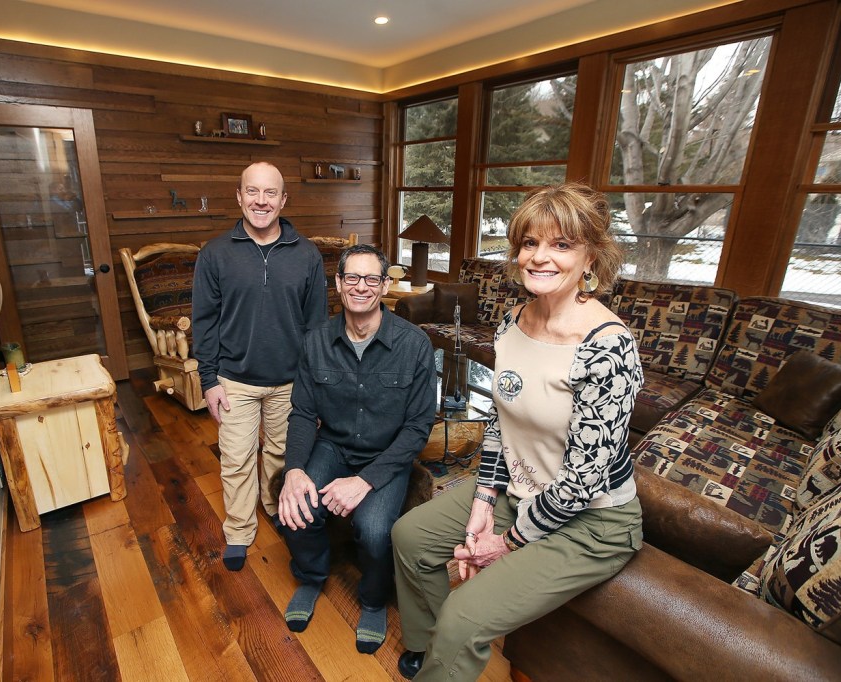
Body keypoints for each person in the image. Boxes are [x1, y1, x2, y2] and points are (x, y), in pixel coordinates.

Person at [391, 183, 644, 680]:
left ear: (591, 256)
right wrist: (485, 499)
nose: (539, 257)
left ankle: (450, 644)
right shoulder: (511, 322)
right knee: (411, 537)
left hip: (593, 521)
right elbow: (502, 423)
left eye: (561, 245)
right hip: (520, 490)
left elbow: (582, 481)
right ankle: (428, 647)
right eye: (530, 243)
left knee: (466, 618)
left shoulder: (608, 347)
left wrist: (504, 542)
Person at [277, 244, 437, 654]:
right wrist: (294, 469)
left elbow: (418, 427)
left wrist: (365, 481)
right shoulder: (315, 342)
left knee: (375, 529)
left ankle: (372, 599)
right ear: (338, 284)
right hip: (333, 446)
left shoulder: (414, 344)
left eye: (371, 279)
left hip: (386, 457)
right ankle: (311, 577)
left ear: (384, 285)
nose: (361, 287)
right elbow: (301, 413)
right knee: (297, 508)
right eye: (352, 277)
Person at [192, 162, 328, 571]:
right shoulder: (215, 254)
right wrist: (209, 379)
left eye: (271, 193)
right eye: (253, 192)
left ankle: (274, 508)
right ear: (239, 197)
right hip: (234, 380)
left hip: (291, 382)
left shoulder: (306, 255)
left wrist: (313, 384)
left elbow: (317, 325)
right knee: (235, 458)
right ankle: (238, 529)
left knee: (282, 455)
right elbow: (204, 322)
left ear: (284, 200)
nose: (261, 201)